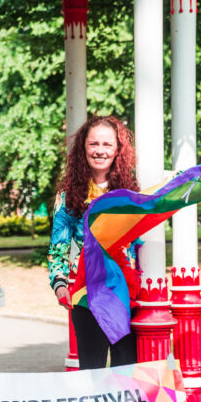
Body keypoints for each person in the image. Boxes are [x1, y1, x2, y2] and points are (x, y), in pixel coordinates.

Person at [47, 115, 140, 370]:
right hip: (86, 295)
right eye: (93, 144)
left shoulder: (132, 195)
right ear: (83, 148)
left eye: (107, 145)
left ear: (118, 150)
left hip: (127, 295)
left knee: (128, 373)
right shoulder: (67, 198)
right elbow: (58, 247)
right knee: (92, 376)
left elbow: (140, 244)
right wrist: (59, 283)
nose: (100, 150)